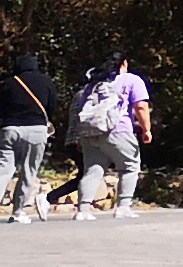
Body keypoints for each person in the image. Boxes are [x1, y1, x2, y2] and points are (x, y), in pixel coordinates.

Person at [68, 52, 151, 221]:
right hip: (118, 130)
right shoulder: (131, 79)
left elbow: (80, 108)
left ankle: (83, 210)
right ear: (124, 64)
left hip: (91, 132)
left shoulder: (94, 84)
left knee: (93, 169)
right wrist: (146, 129)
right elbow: (141, 106)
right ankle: (123, 206)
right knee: (130, 166)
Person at [1, 51, 57, 222]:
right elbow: (52, 105)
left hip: (9, 129)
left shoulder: (8, 83)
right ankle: (18, 212)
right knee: (28, 170)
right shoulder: (46, 82)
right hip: (36, 129)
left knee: (4, 169)